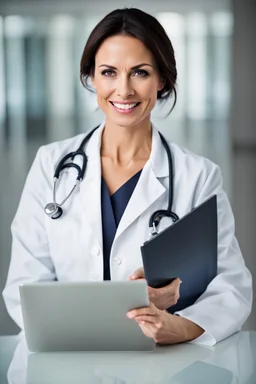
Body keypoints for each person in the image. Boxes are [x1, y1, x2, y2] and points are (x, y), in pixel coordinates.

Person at [2, 8, 252, 346]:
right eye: (108, 72)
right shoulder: (51, 164)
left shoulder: (198, 177)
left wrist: (177, 327)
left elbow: (231, 286)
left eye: (140, 73)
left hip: (162, 365)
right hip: (67, 358)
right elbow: (25, 286)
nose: (124, 89)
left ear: (162, 79)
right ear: (91, 77)